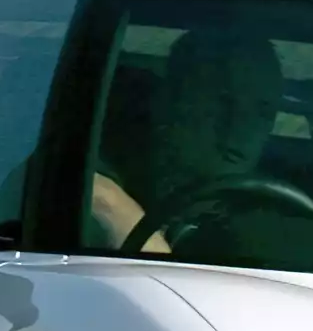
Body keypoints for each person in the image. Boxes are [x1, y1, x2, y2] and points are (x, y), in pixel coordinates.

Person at [88, 26, 286, 253]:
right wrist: (117, 212)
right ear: (169, 100)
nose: (240, 126)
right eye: (223, 101)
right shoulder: (107, 167)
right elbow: (87, 187)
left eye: (262, 112)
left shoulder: (284, 214)